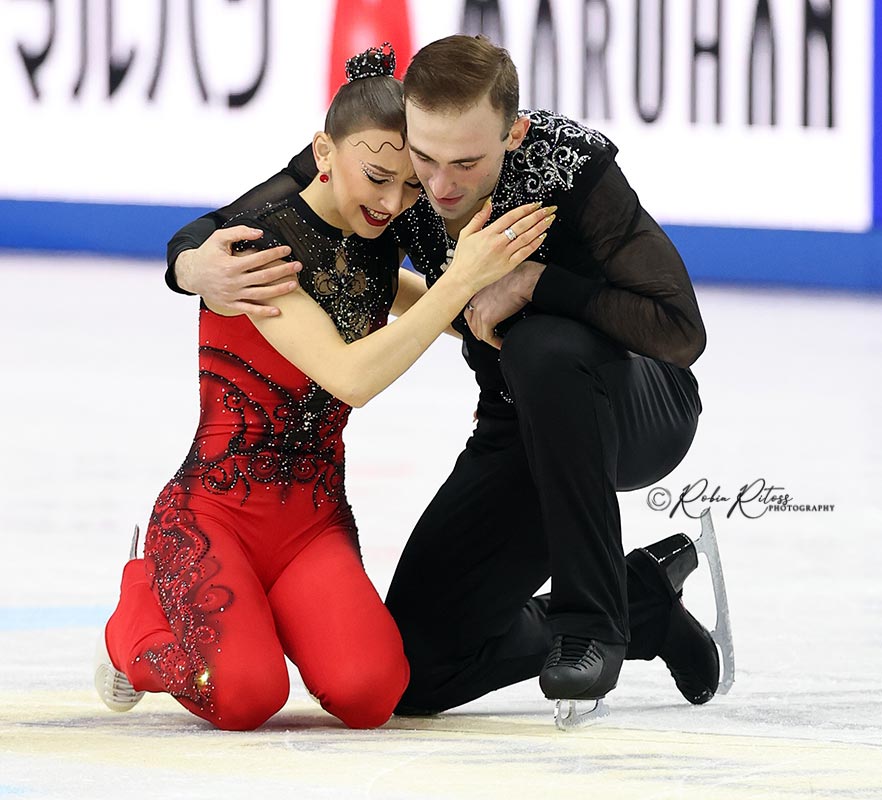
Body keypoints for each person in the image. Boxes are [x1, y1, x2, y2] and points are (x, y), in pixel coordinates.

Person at [164, 35, 730, 721]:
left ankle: (595, 625)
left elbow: (679, 333)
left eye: (466, 162)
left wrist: (537, 282)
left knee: (542, 346)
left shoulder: (566, 163)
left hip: (637, 404)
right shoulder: (394, 152)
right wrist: (190, 268)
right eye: (424, 160)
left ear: (513, 133)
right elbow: (239, 220)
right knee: (419, 671)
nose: (437, 186)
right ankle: (644, 604)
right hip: (519, 420)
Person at [95, 43, 553, 732]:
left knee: (372, 693)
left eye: (410, 186)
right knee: (245, 695)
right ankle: (134, 622)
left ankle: (262, 614)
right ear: (323, 152)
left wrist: (488, 315)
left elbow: (381, 289)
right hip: (214, 514)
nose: (393, 203)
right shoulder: (254, 251)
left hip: (311, 521)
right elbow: (350, 375)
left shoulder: (372, 235)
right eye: (378, 178)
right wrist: (462, 280)